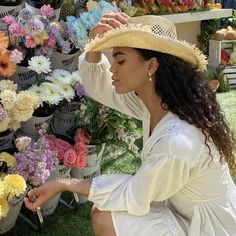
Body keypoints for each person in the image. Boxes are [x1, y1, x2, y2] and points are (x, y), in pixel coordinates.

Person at [24, 13, 236, 236]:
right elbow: (102, 86)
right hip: (185, 213)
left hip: (211, 228)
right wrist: (94, 46)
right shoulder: (157, 103)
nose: (113, 68)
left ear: (151, 65)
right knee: (104, 210)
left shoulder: (178, 139)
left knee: (105, 217)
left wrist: (65, 183)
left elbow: (134, 195)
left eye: (121, 60)